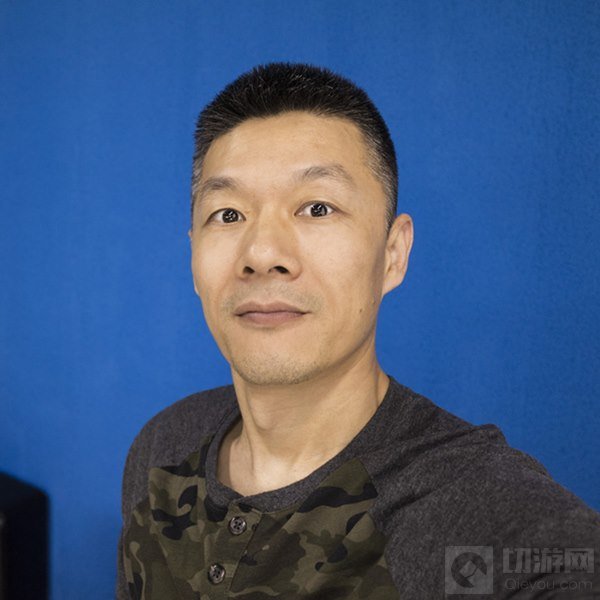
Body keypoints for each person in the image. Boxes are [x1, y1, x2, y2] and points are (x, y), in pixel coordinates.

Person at [117, 63, 599, 599]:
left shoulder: (495, 523)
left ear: (393, 254)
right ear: (192, 257)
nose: (262, 253)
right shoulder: (163, 449)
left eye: (317, 208)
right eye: (228, 214)